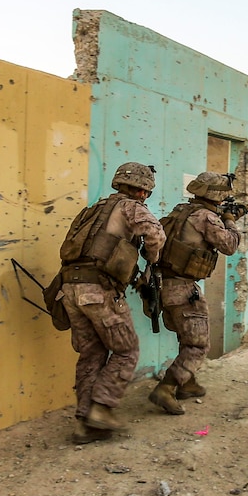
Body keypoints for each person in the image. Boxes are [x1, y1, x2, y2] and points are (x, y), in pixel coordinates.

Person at [56, 162, 165, 443]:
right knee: (126, 350)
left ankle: (84, 422)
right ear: (143, 191)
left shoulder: (93, 210)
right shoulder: (131, 207)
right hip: (100, 292)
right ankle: (101, 409)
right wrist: (152, 261)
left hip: (69, 289)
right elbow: (156, 235)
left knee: (91, 354)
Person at [149, 171, 242, 414]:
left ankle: (187, 383)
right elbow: (230, 245)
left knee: (187, 336)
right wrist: (231, 221)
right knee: (198, 344)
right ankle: (167, 387)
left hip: (163, 284)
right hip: (183, 287)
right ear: (216, 195)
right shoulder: (206, 217)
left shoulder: (181, 211)